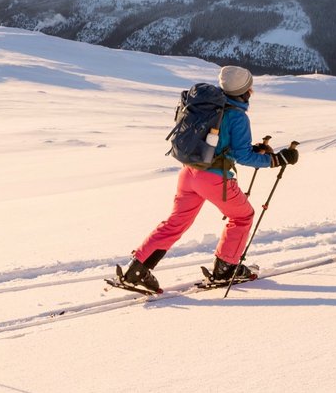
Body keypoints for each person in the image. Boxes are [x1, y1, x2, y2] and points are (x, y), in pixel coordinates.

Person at [116, 65, 300, 292]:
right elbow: (242, 156)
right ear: (244, 91)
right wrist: (277, 159)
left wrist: (255, 149)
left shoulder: (211, 108)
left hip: (189, 173)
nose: (252, 91)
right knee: (243, 217)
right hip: (214, 179)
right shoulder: (237, 116)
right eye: (250, 88)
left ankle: (135, 271)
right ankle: (225, 269)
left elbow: (223, 146)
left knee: (175, 223)